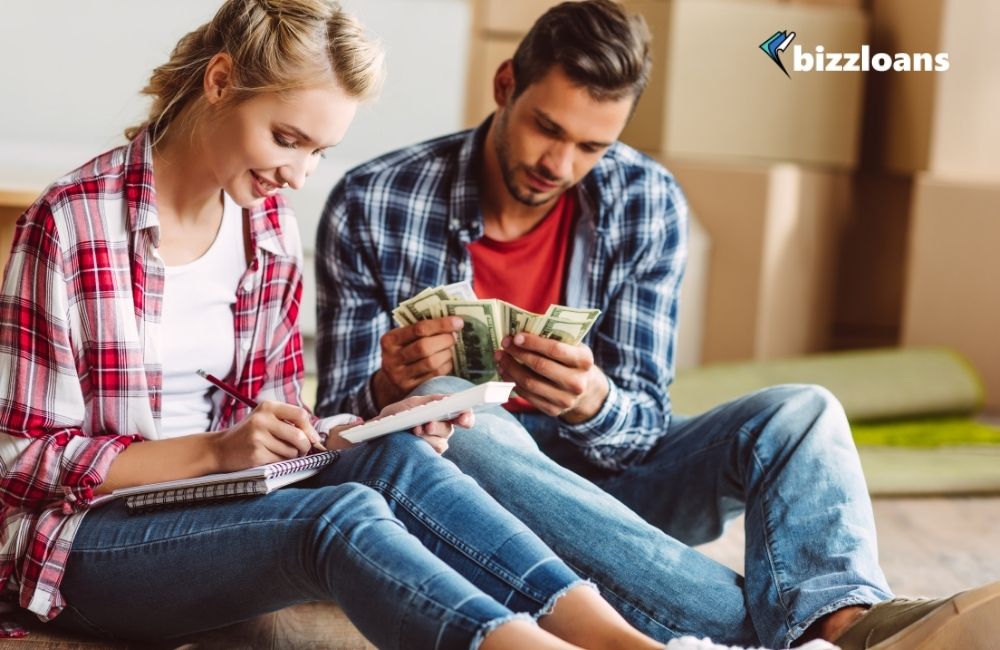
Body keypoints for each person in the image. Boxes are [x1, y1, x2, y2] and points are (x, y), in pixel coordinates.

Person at [314, 1, 1000, 648]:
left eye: (591, 146)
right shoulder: (375, 200)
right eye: (546, 129)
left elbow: (641, 428)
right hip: (470, 485)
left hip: (612, 480)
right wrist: (385, 388)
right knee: (445, 411)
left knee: (803, 412)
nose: (560, 165)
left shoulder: (646, 201)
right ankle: (802, 638)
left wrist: (592, 402)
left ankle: (847, 621)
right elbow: (338, 440)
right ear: (504, 85)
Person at [0, 2, 681, 648]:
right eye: (287, 139)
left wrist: (357, 427)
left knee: (395, 458)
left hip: (217, 504)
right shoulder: (70, 223)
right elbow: (18, 460)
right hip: (83, 541)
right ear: (219, 80)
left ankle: (627, 642)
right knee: (336, 521)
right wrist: (215, 453)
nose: (299, 174)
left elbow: (273, 423)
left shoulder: (264, 226)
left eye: (319, 151)